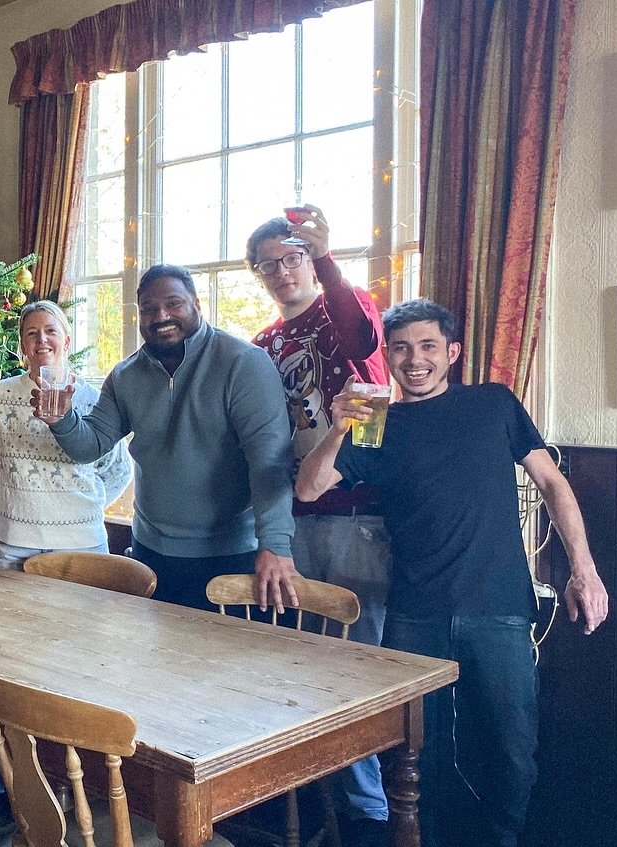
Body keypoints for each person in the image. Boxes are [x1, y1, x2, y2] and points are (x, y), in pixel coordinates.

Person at [295, 298, 609, 847]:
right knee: (418, 757)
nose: (414, 360)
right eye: (401, 348)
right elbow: (308, 487)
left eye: (427, 346)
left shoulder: (494, 404)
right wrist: (337, 428)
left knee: (512, 751)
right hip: (415, 614)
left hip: (501, 608)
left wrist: (584, 569)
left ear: (452, 352)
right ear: (388, 357)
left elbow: (553, 484)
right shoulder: (375, 424)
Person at [247, 207, 391, 844]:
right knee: (300, 667)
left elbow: (364, 342)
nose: (282, 272)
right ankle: (318, 806)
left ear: (311, 259)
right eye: (268, 264)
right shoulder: (262, 346)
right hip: (293, 520)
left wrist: (329, 260)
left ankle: (368, 816)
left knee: (357, 669)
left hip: (360, 514)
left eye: (292, 257)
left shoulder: (347, 305)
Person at [41, 264, 298, 612]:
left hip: (231, 555)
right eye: (148, 309)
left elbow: (269, 463)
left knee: (229, 664)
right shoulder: (125, 375)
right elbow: (92, 445)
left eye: (173, 304)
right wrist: (61, 419)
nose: (160, 315)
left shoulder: (244, 364)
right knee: (153, 663)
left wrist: (276, 545)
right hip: (150, 552)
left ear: (196, 304)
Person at [0, 301, 131, 571]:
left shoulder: (92, 400)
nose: (42, 339)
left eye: (51, 330)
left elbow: (119, 470)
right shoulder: (1, 397)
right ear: (23, 346)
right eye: (31, 333)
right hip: (16, 547)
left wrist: (79, 508)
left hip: (83, 546)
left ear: (67, 340)